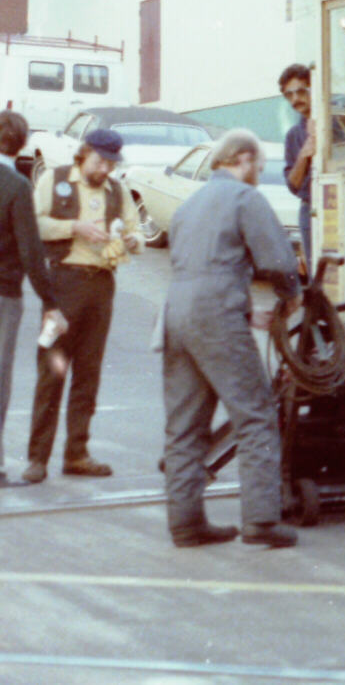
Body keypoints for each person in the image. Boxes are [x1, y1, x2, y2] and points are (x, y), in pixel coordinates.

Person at [162, 129, 302, 548]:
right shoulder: (245, 198)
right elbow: (277, 259)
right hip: (216, 315)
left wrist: (237, 307)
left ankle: (185, 522)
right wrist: (291, 294)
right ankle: (261, 520)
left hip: (176, 313)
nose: (260, 174)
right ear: (242, 159)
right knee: (256, 413)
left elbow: (200, 265)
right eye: (259, 166)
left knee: (185, 424)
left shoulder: (188, 204)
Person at [23, 128, 143, 483]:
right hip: (63, 285)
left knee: (88, 374)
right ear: (84, 153)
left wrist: (129, 240)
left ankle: (77, 453)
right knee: (52, 370)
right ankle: (37, 458)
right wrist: (75, 227)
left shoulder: (117, 191)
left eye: (110, 163)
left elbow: (138, 234)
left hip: (101, 287)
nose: (104, 169)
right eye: (99, 161)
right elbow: (34, 225)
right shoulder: (54, 179)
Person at [0, 111, 64, 482]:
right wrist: (51, 301)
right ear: (23, 145)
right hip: (4, 293)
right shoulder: (16, 187)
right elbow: (30, 251)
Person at [279, 63, 315, 266]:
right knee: (317, 276)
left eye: (301, 92)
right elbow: (293, 185)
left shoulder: (339, 120)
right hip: (310, 211)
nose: (295, 99)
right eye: (289, 95)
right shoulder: (293, 136)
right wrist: (304, 154)